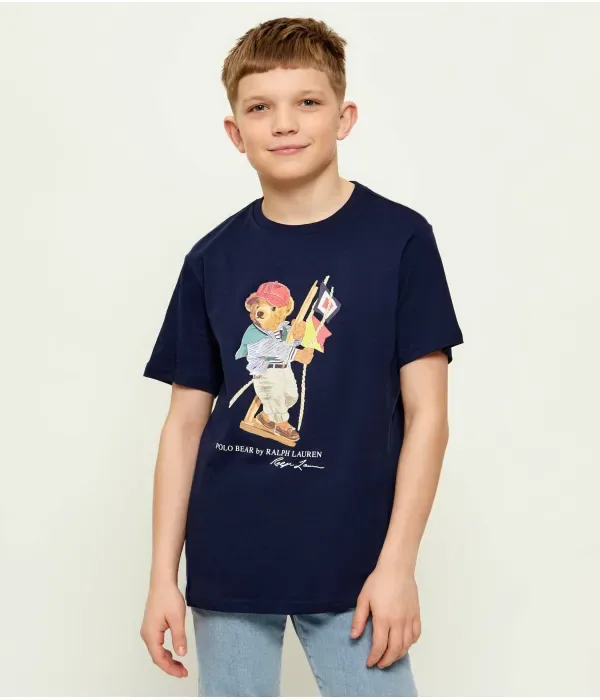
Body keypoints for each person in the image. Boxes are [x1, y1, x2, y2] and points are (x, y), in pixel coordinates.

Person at [139, 16, 464, 697]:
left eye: (307, 102)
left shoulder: (401, 241)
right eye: (260, 107)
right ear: (236, 132)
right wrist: (162, 578)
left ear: (344, 117)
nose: (284, 123)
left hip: (357, 563)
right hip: (230, 558)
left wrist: (398, 565)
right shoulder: (211, 259)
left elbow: (427, 416)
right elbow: (184, 426)